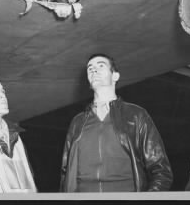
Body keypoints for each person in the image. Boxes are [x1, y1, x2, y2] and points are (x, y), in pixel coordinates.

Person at [60, 53, 173, 192]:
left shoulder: (136, 115)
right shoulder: (77, 122)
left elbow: (161, 171)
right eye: (90, 68)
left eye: (100, 66)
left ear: (115, 76)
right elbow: (65, 173)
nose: (93, 70)